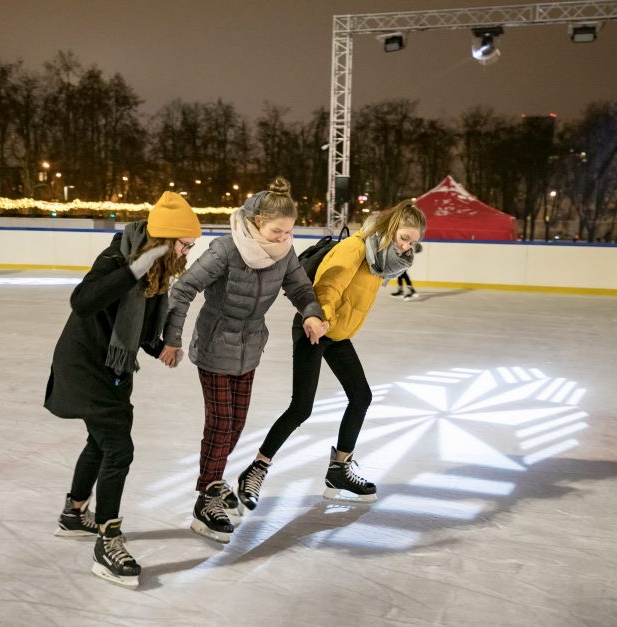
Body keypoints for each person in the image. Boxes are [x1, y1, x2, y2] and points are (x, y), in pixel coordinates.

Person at [44, 191, 200, 588]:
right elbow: (82, 303)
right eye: (185, 244)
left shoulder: (157, 274)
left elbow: (141, 331)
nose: (187, 252)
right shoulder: (117, 259)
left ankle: (74, 514)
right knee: (119, 448)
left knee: (101, 444)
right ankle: (107, 540)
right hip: (85, 366)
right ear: (164, 241)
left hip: (112, 369)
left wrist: (162, 345)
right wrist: (133, 269)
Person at [160, 177, 327, 544]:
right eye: (276, 231)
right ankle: (207, 499)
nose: (284, 239)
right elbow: (183, 288)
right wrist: (171, 339)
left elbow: (300, 288)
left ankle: (214, 484)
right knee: (221, 424)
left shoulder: (284, 254)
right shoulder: (225, 250)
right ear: (254, 222)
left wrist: (311, 313)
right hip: (215, 345)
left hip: (250, 347)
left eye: (289, 232)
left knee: (235, 425)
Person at [236, 199, 426, 508]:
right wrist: (321, 319)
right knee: (301, 408)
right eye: (404, 238)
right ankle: (255, 469)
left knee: (361, 396)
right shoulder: (356, 248)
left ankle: (339, 469)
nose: (406, 247)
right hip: (317, 327)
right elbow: (328, 285)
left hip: (337, 334)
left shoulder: (379, 258)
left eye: (413, 243)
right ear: (389, 229)